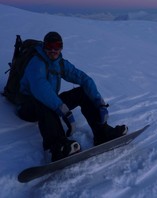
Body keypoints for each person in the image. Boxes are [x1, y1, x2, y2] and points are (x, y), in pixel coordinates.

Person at [18, 32, 127, 162]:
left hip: (49, 101)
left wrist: (99, 102)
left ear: (61, 47)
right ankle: (57, 146)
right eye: (49, 46)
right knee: (43, 102)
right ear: (44, 47)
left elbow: (83, 78)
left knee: (83, 92)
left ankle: (102, 133)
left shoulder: (60, 63)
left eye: (57, 46)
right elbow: (40, 89)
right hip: (28, 107)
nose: (53, 50)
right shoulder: (36, 64)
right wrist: (63, 110)